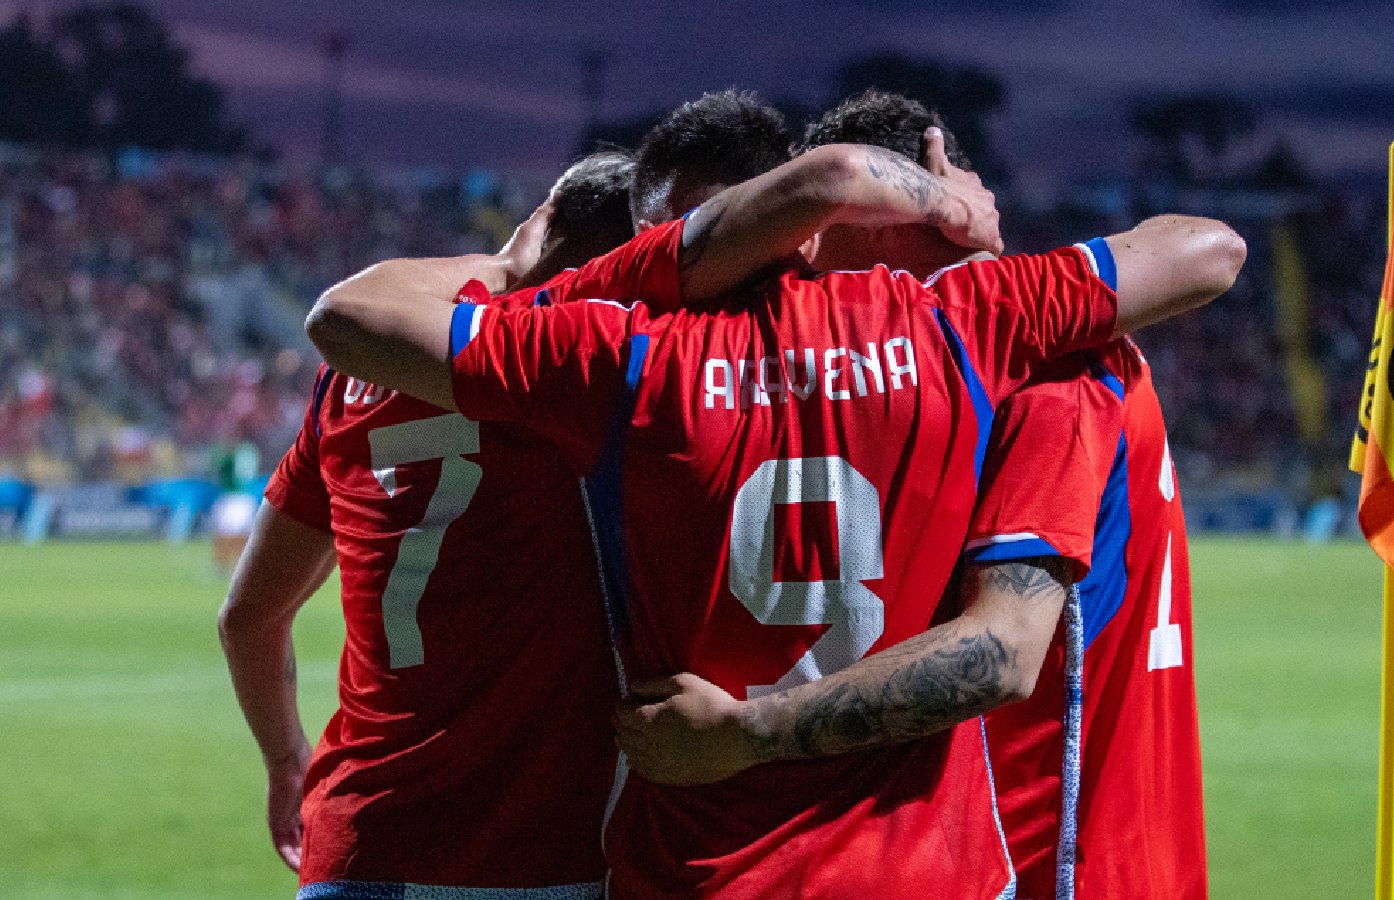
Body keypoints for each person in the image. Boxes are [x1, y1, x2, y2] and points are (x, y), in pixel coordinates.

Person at [307, 85, 1237, 896]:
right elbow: (1207, 251)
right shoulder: (968, 325)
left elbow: (347, 319)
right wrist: (963, 216)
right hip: (922, 871)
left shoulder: (618, 360)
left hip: (697, 869)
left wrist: (518, 271)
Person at [229, 129, 1005, 898]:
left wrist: (285, 761)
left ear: (540, 220)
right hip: (538, 854)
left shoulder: (356, 384)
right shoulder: (588, 377)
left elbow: (248, 616)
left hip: (357, 844)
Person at [613, 93, 1224, 899]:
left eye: (811, 231)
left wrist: (741, 735)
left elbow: (1002, 650)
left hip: (1058, 851)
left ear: (885, 206)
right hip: (1106, 842)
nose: (792, 268)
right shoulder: (1031, 345)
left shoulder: (1048, 377)